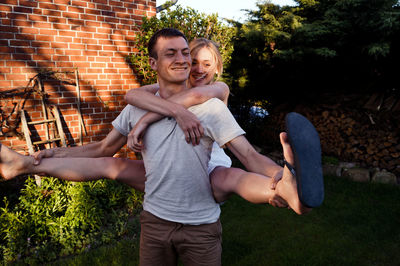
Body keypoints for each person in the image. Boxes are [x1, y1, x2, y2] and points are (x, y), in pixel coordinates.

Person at [1, 28, 323, 265]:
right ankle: (23, 164)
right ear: (153, 64)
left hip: (201, 225)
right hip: (155, 222)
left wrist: (279, 176)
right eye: (173, 54)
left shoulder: (211, 104)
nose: (184, 61)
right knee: (112, 167)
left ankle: (285, 189)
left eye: (186, 52)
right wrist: (53, 152)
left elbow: (248, 155)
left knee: (231, 178)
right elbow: (101, 150)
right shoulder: (138, 105)